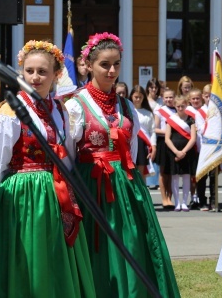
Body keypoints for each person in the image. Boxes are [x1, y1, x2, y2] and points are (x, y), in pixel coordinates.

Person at [65, 33, 180, 297]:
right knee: (99, 250)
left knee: (132, 245)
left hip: (126, 188)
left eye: (116, 64)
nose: (112, 70)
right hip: (91, 186)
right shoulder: (76, 105)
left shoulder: (126, 105)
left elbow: (132, 150)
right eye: (105, 64)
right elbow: (69, 157)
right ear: (90, 65)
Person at [0, 40, 96, 298]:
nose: (35, 77)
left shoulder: (60, 110)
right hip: (24, 198)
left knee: (55, 258)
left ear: (56, 75)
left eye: (42, 71)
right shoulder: (10, 111)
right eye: (29, 70)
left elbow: (67, 154)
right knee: (30, 260)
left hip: (56, 194)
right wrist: (5, 198)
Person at [164, 95, 197, 212]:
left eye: (182, 106)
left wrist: (183, 151)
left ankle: (184, 202)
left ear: (186, 105)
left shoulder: (191, 119)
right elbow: (167, 138)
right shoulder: (171, 119)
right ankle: (177, 202)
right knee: (175, 177)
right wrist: (176, 152)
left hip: (187, 151)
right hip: (174, 151)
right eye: (178, 106)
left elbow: (193, 138)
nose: (180, 108)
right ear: (175, 106)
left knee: (187, 176)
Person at [129, 85, 157, 184]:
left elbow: (152, 131)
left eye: (140, 97)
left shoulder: (148, 113)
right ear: (131, 96)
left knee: (141, 173)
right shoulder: (127, 110)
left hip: (143, 144)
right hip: (130, 142)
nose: (138, 99)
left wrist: (153, 147)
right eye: (136, 97)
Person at [155, 88, 176, 210]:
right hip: (163, 142)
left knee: (171, 172)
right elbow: (155, 128)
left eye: (171, 97)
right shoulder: (160, 111)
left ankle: (170, 197)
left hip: (174, 143)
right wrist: (168, 132)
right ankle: (164, 199)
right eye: (166, 97)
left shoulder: (178, 110)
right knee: (163, 172)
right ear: (163, 98)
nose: (168, 100)